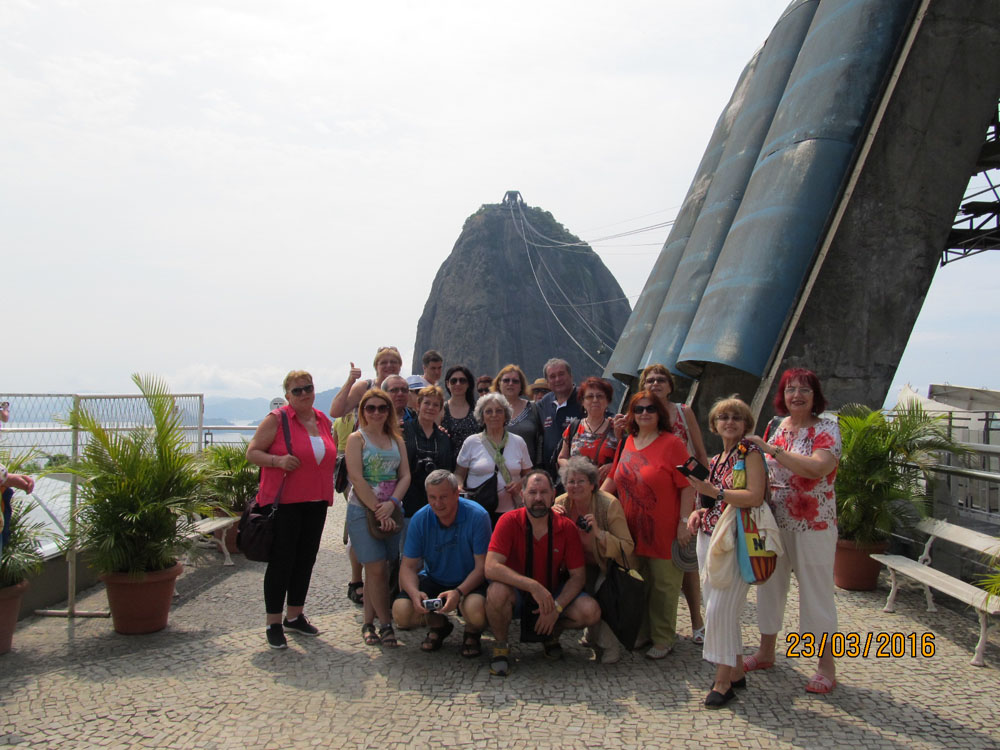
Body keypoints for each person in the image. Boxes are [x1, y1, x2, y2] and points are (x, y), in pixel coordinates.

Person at [744, 368, 841, 694]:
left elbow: (817, 468)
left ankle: (826, 666)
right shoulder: (775, 426)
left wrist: (773, 451)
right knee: (768, 586)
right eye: (790, 390)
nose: (796, 395)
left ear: (816, 396)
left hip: (814, 524)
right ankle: (766, 650)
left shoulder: (827, 428)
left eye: (803, 390)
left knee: (816, 594)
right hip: (773, 521)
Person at [684, 397, 768, 708]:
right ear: (714, 424)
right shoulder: (720, 458)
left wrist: (715, 492)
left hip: (737, 537)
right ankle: (735, 670)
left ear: (746, 424)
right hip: (709, 536)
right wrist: (697, 511)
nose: (729, 422)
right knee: (720, 607)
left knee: (720, 608)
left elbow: (754, 496)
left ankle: (722, 681)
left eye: (736, 417)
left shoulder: (751, 454)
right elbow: (711, 499)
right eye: (723, 417)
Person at [246, 370, 337, 650]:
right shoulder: (278, 419)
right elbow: (252, 453)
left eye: (307, 388)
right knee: (282, 561)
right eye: (297, 390)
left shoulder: (322, 419)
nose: (304, 394)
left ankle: (295, 615)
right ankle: (273, 622)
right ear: (287, 395)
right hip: (285, 503)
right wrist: (277, 460)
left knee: (305, 559)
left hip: (317, 501)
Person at [600, 391, 694, 659]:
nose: (644, 413)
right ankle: (642, 632)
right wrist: (595, 502)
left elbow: (688, 486)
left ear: (659, 413)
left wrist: (684, 522)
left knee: (664, 585)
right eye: (638, 409)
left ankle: (664, 638)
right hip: (630, 529)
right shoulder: (628, 441)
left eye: (650, 409)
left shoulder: (673, 444)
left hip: (664, 529)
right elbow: (615, 479)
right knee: (637, 582)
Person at [485, 470, 602, 676]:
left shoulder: (567, 528)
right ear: (522, 495)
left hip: (552, 592)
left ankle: (550, 634)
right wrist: (532, 586)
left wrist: (556, 608)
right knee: (496, 592)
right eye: (532, 492)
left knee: (590, 611)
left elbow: (578, 576)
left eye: (543, 492)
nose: (538, 498)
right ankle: (501, 645)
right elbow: (491, 566)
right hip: (519, 593)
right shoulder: (508, 521)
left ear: (553, 494)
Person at [638, 363, 710, 645]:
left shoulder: (683, 412)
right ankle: (652, 625)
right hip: (652, 499)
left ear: (670, 385)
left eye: (660, 380)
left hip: (684, 497)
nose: (655, 384)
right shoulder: (641, 413)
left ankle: (697, 622)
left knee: (687, 563)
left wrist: (704, 494)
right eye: (650, 380)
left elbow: (701, 455)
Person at [392, 470, 491, 657]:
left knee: (475, 610)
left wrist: (459, 592)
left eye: (444, 497)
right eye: (432, 497)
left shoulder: (478, 516)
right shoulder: (420, 519)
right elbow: (408, 567)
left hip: (470, 580)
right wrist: (414, 594)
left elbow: (482, 567)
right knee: (402, 613)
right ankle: (439, 625)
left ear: (456, 493)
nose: (438, 504)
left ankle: (472, 631)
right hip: (435, 578)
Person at [345, 388, 411, 649]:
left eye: (382, 408)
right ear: (363, 411)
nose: (376, 412)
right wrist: (376, 508)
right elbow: (356, 478)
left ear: (389, 412)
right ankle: (385, 624)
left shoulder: (397, 439)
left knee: (383, 569)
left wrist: (391, 504)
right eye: (370, 408)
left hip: (392, 510)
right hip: (363, 511)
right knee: (374, 567)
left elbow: (405, 475)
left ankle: (368, 622)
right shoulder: (356, 439)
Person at [553, 455, 635, 664]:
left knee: (601, 592)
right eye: (571, 481)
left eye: (581, 481)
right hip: (572, 567)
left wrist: (599, 533)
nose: (575, 486)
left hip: (606, 565)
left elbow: (627, 546)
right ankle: (553, 634)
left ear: (592, 484)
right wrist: (551, 519)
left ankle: (609, 647)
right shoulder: (561, 504)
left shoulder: (608, 505)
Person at [456, 392, 532, 527]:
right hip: (478, 512)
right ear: (482, 416)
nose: (494, 415)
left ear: (506, 415)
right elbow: (459, 473)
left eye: (499, 411)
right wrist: (460, 487)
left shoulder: (518, 442)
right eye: (488, 411)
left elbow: (529, 474)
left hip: (511, 512)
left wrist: (519, 484)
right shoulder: (471, 442)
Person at [401, 386, 455, 543]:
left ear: (440, 409)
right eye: (427, 403)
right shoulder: (403, 431)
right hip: (408, 500)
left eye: (436, 404)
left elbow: (447, 470)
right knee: (408, 552)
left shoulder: (444, 438)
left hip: (435, 503)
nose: (431, 408)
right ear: (418, 405)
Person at [556, 376, 619, 483]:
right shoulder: (574, 427)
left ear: (607, 401)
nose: (595, 400)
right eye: (590, 396)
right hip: (577, 490)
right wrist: (574, 470)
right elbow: (561, 458)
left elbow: (627, 460)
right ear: (583, 402)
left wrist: (613, 467)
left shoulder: (616, 428)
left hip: (606, 492)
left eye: (600, 396)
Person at [333, 410, 364, 606]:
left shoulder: (337, 421)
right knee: (355, 503)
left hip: (340, 458)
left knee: (350, 502)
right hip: (353, 458)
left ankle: (348, 535)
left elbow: (334, 441)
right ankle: (349, 534)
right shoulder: (356, 422)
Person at [537, 358, 584, 476]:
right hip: (550, 474)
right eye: (552, 376)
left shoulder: (585, 398)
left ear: (571, 376)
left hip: (578, 473)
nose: (557, 379)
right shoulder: (545, 402)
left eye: (561, 374)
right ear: (547, 382)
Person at [329, 346, 403, 419]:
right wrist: (350, 381)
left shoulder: (405, 390)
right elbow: (335, 412)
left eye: (393, 362)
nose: (389, 365)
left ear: (400, 366)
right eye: (383, 363)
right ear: (376, 366)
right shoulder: (364, 387)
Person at [491, 364, 542, 466]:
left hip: (527, 473)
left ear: (521, 386)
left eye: (515, 381)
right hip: (494, 472)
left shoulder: (534, 408)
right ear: (499, 384)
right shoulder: (488, 410)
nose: (510, 384)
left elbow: (541, 441)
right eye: (506, 380)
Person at [441, 365, 478, 462]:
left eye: (462, 380)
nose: (458, 384)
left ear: (468, 384)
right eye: (453, 381)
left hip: (475, 464)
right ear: (447, 384)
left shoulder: (478, 410)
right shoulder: (440, 410)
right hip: (447, 465)